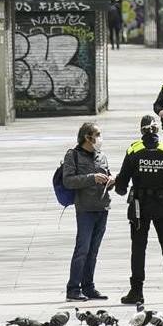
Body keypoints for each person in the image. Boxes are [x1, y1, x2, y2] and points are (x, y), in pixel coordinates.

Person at [114, 114, 163, 304]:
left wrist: (119, 187)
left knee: (138, 248)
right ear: (157, 130)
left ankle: (137, 291)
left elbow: (122, 182)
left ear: (141, 131)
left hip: (139, 207)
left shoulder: (134, 150)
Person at [62, 122, 113, 301]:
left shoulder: (102, 156)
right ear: (87, 137)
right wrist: (92, 178)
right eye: (97, 134)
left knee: (94, 250)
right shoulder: (73, 155)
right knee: (82, 249)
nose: (100, 138)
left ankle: (88, 286)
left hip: (102, 207)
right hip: (85, 209)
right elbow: (68, 181)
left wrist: (111, 181)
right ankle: (73, 288)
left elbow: (107, 175)